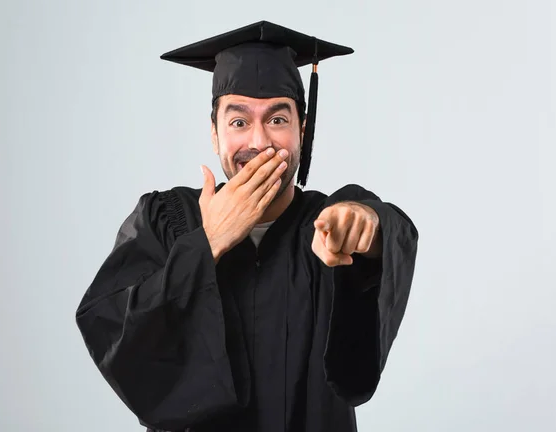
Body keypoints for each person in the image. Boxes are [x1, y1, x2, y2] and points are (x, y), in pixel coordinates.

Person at [75, 21, 419, 432]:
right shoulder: (169, 220)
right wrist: (208, 243)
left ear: (302, 131)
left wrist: (368, 232)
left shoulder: (327, 222)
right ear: (215, 133)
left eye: (277, 119)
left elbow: (385, 229)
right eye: (239, 122)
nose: (259, 142)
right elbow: (112, 329)